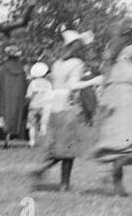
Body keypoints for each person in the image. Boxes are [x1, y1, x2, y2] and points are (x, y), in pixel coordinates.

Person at [33, 30, 99, 191]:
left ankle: (47, 171)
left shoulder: (56, 63)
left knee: (59, 146)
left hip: (55, 107)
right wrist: (94, 81)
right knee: (68, 149)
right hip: (68, 106)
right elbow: (72, 86)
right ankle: (63, 183)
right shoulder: (77, 63)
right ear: (76, 46)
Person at [91, 32, 132, 195]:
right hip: (126, 96)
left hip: (112, 96)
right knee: (131, 141)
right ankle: (113, 177)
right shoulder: (131, 50)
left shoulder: (112, 55)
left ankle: (118, 186)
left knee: (117, 144)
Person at [0, 45, 29, 147]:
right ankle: (11, 136)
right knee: (15, 115)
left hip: (5, 95)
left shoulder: (2, 68)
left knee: (5, 115)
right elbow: (24, 84)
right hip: (18, 96)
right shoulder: (22, 70)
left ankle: (6, 137)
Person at [26, 62, 52, 146]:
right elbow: (50, 95)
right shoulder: (48, 84)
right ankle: (43, 137)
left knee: (31, 125)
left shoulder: (33, 83)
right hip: (44, 106)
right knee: (43, 123)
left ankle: (32, 141)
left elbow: (29, 95)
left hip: (33, 106)